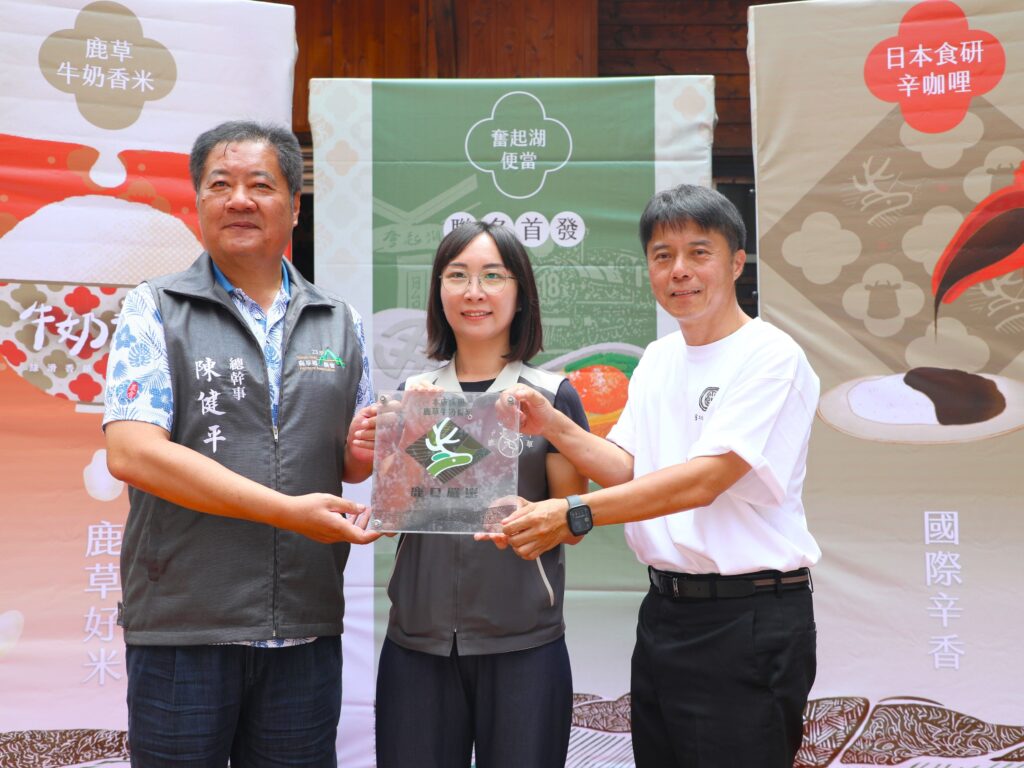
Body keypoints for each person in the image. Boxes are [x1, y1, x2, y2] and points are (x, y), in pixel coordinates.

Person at [498, 184, 821, 768]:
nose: (680, 271)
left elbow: (704, 481)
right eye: (662, 255)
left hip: (747, 618)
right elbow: (627, 469)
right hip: (664, 614)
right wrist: (552, 424)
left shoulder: (772, 356)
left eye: (699, 253)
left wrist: (574, 513)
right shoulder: (659, 358)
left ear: (736, 263)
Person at [102, 120, 379, 767]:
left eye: (260, 184)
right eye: (220, 184)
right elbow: (132, 453)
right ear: (198, 201)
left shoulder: (340, 321)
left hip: (305, 626)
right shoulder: (155, 307)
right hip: (185, 627)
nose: (239, 200)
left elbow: (348, 463)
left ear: (295, 206)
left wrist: (365, 451)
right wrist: (286, 512)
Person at [374, 220, 590, 768]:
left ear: (520, 293)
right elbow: (394, 516)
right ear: (438, 291)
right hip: (417, 644)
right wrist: (392, 445)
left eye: (493, 276)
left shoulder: (551, 397)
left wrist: (534, 516)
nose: (474, 291)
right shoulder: (412, 397)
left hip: (524, 645)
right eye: (458, 276)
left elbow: (572, 521)